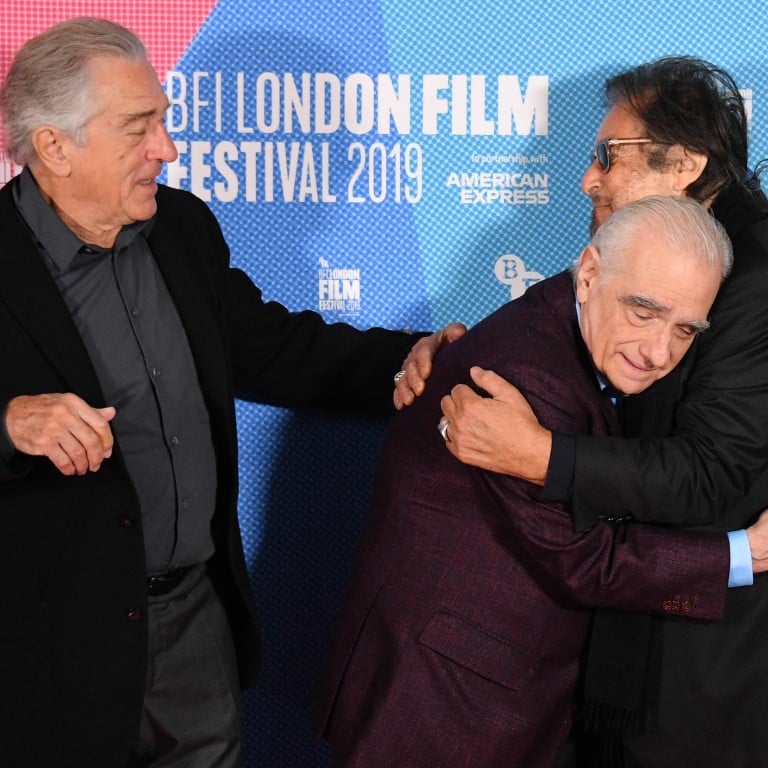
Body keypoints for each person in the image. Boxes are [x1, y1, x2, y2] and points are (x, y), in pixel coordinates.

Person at [0, 17, 465, 768]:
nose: (168, 149)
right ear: (54, 146)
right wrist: (8, 422)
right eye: (137, 128)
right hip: (47, 653)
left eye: (163, 121)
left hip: (193, 625)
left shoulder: (182, 228)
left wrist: (412, 359)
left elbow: (274, 349)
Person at [396, 58, 768, 767]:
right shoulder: (660, 249)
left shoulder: (754, 278)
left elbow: (712, 473)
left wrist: (541, 457)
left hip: (698, 673)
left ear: (685, 164)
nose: (587, 179)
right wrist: (452, 353)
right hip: (616, 643)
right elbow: (571, 347)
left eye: (608, 156)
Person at [316, 195, 768, 768]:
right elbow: (585, 562)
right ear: (589, 275)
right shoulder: (525, 380)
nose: (659, 352)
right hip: (442, 707)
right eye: (644, 311)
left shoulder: (572, 339)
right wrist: (743, 553)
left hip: (486, 691)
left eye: (684, 330)